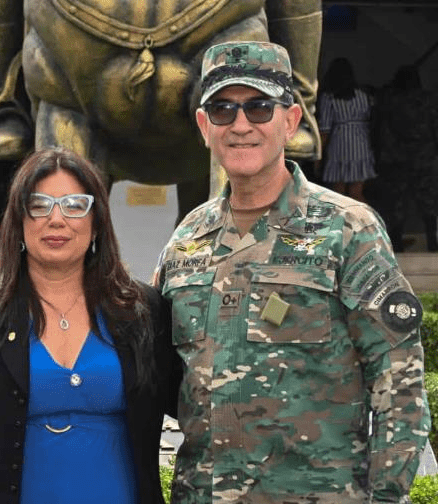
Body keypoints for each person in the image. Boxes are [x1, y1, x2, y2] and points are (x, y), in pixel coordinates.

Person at [153, 41, 431, 503]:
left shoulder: (347, 228)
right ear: (204, 126)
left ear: (291, 121)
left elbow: (398, 380)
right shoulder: (187, 239)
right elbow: (157, 376)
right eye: (222, 109)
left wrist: (387, 497)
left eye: (259, 107)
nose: (240, 125)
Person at [0, 148, 181, 503]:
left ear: (97, 221)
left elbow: (194, 408)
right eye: (39, 205)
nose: (57, 219)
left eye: (75, 205)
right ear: (18, 220)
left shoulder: (142, 310)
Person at [374, 65, 438, 252]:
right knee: (428, 202)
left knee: (396, 204)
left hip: (395, 159)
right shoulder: (427, 100)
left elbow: (379, 129)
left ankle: (397, 243)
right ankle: (432, 241)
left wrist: (379, 153)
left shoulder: (389, 101)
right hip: (423, 157)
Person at [316, 57, 377, 202]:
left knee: (338, 195)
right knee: (357, 193)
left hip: (339, 147)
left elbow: (324, 130)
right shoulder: (364, 96)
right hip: (361, 145)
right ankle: (364, 217)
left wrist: (317, 158)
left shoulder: (329, 98)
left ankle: (341, 218)